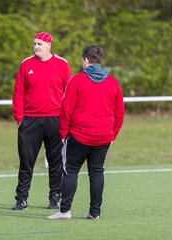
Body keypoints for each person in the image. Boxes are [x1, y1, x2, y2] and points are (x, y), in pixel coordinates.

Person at [47, 44, 125, 220]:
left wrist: (62, 134)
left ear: (85, 60)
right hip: (103, 137)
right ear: (100, 60)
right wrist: (113, 134)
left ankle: (65, 211)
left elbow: (66, 110)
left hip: (78, 136)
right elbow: (119, 112)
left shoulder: (77, 80)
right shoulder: (113, 82)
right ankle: (94, 212)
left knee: (70, 171)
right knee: (97, 172)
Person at [12, 32, 72, 210]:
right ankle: (21, 198)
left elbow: (69, 93)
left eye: (39, 44)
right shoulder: (26, 64)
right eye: (34, 44)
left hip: (55, 120)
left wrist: (67, 120)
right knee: (26, 161)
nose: (36, 46)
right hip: (30, 121)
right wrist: (20, 118)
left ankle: (54, 198)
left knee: (56, 162)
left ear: (49, 45)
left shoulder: (62, 64)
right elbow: (18, 93)